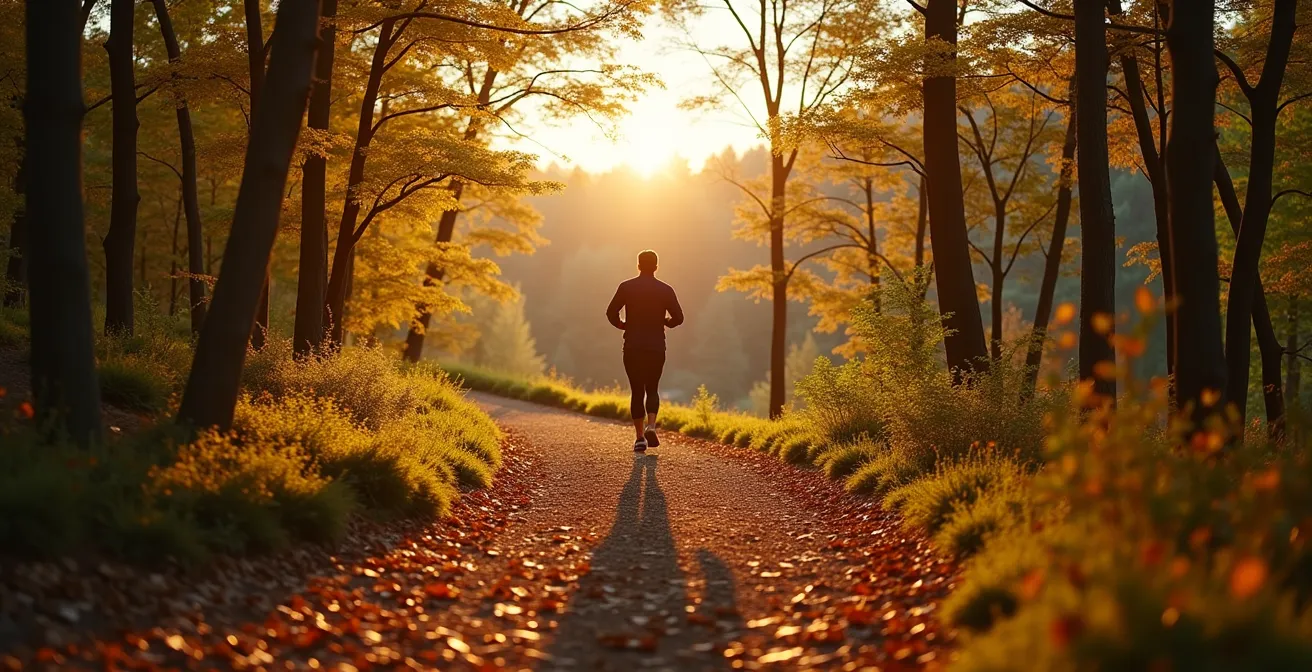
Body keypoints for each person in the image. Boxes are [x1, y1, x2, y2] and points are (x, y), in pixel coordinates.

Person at [606, 249, 684, 451]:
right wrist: (666, 321)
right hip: (656, 347)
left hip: (632, 346)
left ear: (638, 265)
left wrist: (623, 325)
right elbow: (679, 318)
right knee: (652, 388)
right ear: (656, 267)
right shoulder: (665, 290)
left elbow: (611, 312)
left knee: (637, 390)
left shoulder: (626, 287)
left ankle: (640, 438)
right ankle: (651, 426)